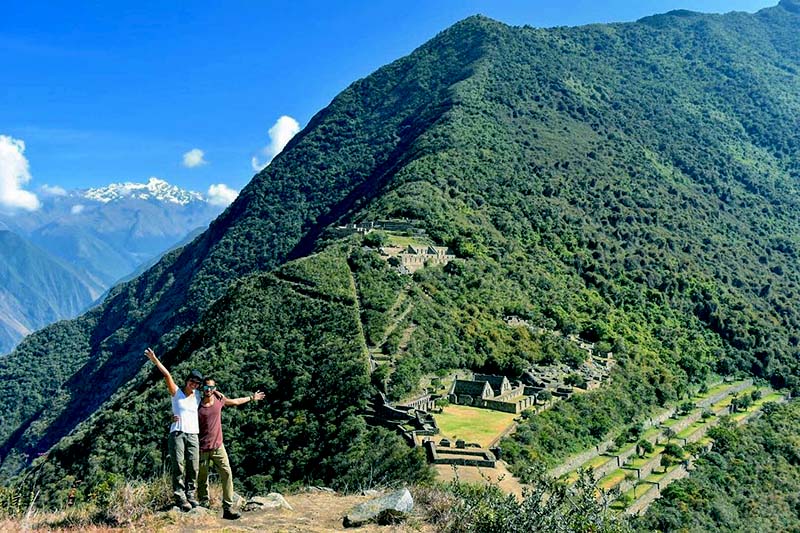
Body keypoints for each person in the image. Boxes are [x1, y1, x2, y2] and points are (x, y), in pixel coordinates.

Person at [196, 377, 265, 520]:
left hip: (218, 447)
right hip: (202, 448)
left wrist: (252, 398)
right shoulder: (196, 404)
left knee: (227, 474)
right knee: (202, 478)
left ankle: (228, 507)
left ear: (214, 389)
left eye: (211, 387)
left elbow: (235, 402)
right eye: (206, 387)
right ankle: (204, 505)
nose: (208, 390)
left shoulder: (219, 399)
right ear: (201, 388)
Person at [144, 347, 202, 511]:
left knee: (193, 466)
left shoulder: (197, 396)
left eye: (197, 383)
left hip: (193, 434)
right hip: (177, 433)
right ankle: (180, 496)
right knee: (178, 465)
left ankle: (191, 494)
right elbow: (167, 375)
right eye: (192, 381)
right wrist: (155, 360)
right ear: (187, 380)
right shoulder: (176, 392)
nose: (194, 384)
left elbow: (213, 393)